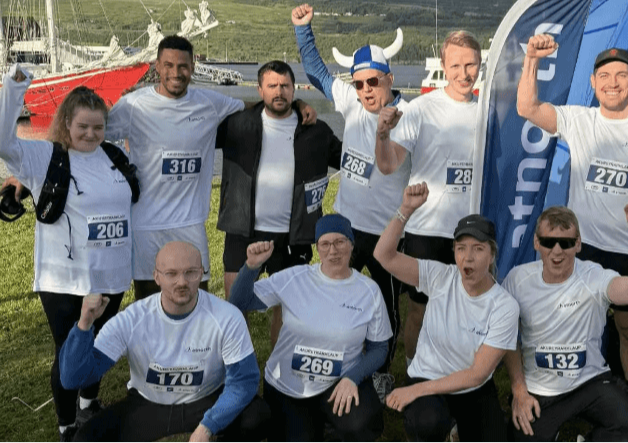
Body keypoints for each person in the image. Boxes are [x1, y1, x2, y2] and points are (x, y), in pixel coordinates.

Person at [517, 34, 628, 438]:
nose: (612, 83)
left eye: (621, 75)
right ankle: (575, 393)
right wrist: (530, 58)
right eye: (604, 76)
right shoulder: (580, 120)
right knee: (576, 323)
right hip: (583, 249)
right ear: (594, 83)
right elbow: (527, 107)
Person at [104, 35, 315, 300]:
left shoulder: (210, 103)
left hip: (191, 225)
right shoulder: (134, 105)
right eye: (168, 65)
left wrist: (296, 103)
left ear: (192, 66)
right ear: (156, 66)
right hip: (146, 226)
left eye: (183, 66)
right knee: (147, 305)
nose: (176, 73)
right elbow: (92, 133)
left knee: (194, 302)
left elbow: (257, 108)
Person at [0, 65, 135, 443]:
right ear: (66, 124)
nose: (91, 134)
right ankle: (66, 425)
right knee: (69, 352)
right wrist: (14, 88)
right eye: (83, 127)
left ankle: (89, 403)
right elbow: (2, 142)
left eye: (98, 127)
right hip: (64, 280)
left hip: (111, 275)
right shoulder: (45, 157)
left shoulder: (113, 156)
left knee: (99, 345)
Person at [293, 3, 410, 398]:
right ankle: (328, 359)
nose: (366, 91)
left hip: (385, 234)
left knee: (387, 306)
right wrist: (303, 29)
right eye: (359, 84)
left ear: (389, 78)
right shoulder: (350, 102)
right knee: (329, 293)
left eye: (373, 82)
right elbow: (316, 71)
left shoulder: (408, 114)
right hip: (344, 225)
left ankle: (381, 370)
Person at [59, 242, 270, 443]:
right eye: (171, 274)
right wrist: (85, 323)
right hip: (148, 404)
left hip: (204, 400)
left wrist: (208, 426)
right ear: (156, 277)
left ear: (201, 273)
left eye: (191, 272)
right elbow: (73, 378)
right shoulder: (132, 319)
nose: (182, 282)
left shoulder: (226, 316)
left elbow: (244, 381)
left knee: (257, 416)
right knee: (86, 439)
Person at [374, 183, 520, 443]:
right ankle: (439, 428)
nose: (468, 257)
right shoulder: (440, 276)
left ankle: (456, 427)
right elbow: (384, 255)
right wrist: (405, 209)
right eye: (461, 248)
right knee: (427, 423)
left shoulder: (504, 305)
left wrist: (415, 391)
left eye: (478, 249)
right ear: (453, 252)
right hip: (429, 373)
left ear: (492, 254)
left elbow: (477, 373)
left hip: (472, 386)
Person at [229, 214, 392, 443]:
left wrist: (352, 378)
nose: (333, 251)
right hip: (288, 385)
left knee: (362, 425)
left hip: (338, 382)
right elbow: (239, 302)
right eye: (325, 244)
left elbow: (379, 348)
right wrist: (251, 266)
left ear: (351, 244)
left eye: (340, 242)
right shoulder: (295, 277)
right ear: (317, 248)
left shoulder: (369, 291)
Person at [374, 30, 483, 372]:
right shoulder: (422, 108)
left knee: (467, 309)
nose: (464, 74)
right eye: (455, 66)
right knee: (420, 310)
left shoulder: (489, 110)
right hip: (428, 228)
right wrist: (382, 134)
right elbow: (389, 164)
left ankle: (460, 376)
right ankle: (414, 372)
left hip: (471, 231)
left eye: (471, 65)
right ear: (443, 65)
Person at [215, 59, 341, 347]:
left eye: (285, 86)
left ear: (294, 89)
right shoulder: (237, 125)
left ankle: (277, 375)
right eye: (272, 86)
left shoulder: (316, 131)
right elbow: (195, 132)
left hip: (293, 234)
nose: (279, 92)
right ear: (259, 90)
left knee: (286, 310)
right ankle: (239, 373)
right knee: (235, 307)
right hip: (242, 230)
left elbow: (349, 158)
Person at [504, 205, 628, 443]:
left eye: (565, 243)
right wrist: (519, 390)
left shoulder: (594, 276)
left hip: (589, 383)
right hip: (541, 389)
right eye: (548, 242)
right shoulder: (517, 279)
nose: (556, 251)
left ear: (578, 244)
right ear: (535, 243)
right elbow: (507, 337)